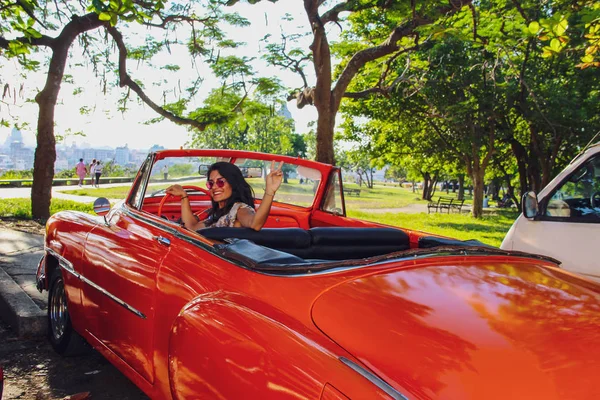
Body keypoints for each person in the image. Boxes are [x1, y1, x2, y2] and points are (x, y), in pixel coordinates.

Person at [166, 161, 283, 231]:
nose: (214, 187)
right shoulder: (218, 212)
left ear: (233, 183)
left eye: (220, 182)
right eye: (210, 183)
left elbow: (255, 224)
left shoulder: (239, 209)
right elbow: (192, 228)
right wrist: (183, 196)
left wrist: (269, 191)